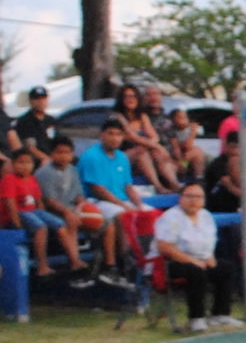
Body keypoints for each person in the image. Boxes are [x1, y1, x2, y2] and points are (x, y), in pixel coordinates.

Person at [154, 180, 237, 330]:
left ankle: (220, 314)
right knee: (196, 272)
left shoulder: (206, 216)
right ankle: (196, 318)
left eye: (198, 197)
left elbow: (210, 241)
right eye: (189, 196)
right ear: (181, 198)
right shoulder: (171, 217)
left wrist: (209, 257)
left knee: (226, 267)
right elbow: (165, 247)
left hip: (201, 259)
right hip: (172, 262)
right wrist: (192, 260)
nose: (194, 200)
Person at [0, 146, 89, 282]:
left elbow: (38, 200)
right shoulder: (9, 180)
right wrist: (17, 224)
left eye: (28, 163)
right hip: (18, 214)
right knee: (41, 228)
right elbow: (10, 205)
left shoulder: (31, 179)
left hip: (32, 211)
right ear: (13, 164)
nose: (25, 166)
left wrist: (44, 214)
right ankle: (42, 266)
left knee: (60, 225)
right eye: (21, 162)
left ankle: (74, 260)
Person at [77, 119, 145, 262]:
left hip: (120, 200)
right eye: (110, 134)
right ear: (102, 135)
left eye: (118, 134)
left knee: (149, 212)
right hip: (96, 201)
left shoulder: (122, 157)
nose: (115, 138)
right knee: (122, 214)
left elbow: (128, 186)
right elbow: (97, 189)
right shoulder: (91, 156)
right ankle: (125, 258)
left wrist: (139, 205)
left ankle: (147, 257)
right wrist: (123, 205)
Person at [34, 139, 95, 283]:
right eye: (59, 153)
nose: (63, 156)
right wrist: (69, 212)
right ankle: (75, 261)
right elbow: (49, 201)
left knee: (99, 220)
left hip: (69, 209)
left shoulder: (72, 170)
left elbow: (79, 195)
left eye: (67, 153)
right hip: (51, 211)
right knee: (68, 223)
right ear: (52, 154)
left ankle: (101, 263)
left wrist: (81, 207)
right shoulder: (45, 172)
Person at [110, 82, 178, 192]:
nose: (130, 99)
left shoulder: (142, 116)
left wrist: (156, 147)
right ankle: (158, 187)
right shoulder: (117, 117)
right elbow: (133, 137)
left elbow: (154, 137)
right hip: (120, 157)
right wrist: (158, 147)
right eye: (126, 96)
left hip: (142, 159)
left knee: (153, 152)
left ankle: (174, 184)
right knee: (142, 150)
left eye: (133, 96)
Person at [14, 87, 65, 158]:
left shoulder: (51, 120)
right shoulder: (24, 121)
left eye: (43, 98)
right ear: (31, 101)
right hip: (36, 159)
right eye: (37, 99)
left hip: (54, 157)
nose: (41, 102)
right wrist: (46, 159)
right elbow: (29, 147)